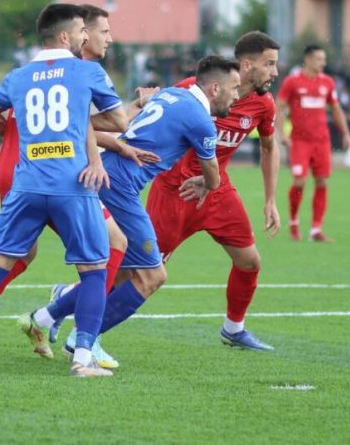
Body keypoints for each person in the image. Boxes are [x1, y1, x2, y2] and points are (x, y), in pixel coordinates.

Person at [0, 3, 128, 377]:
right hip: (72, 186)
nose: (86, 36)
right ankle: (83, 359)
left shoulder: (19, 76)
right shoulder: (88, 70)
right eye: (81, 31)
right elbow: (119, 121)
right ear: (64, 36)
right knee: (94, 271)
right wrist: (77, 118)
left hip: (25, 186)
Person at [24, 55, 241, 366]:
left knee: (122, 273)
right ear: (215, 88)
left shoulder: (172, 94)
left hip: (108, 175)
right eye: (234, 88)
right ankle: (84, 340)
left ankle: (43, 317)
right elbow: (214, 174)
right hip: (119, 187)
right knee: (152, 276)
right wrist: (207, 182)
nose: (237, 95)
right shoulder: (201, 119)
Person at [146, 31, 281, 351]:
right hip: (176, 192)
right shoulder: (197, 89)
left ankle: (234, 329)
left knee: (250, 261)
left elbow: (269, 147)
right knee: (140, 274)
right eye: (269, 64)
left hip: (217, 190)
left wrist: (270, 200)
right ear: (246, 65)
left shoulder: (263, 104)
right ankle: (65, 306)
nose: (275, 72)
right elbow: (155, 115)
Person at [276, 45, 350, 242]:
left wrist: (345, 133)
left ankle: (316, 229)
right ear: (307, 59)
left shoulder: (327, 82)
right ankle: (293, 223)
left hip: (322, 141)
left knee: (322, 181)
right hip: (300, 141)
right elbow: (279, 107)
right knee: (299, 182)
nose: (323, 63)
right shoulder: (292, 82)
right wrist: (283, 134)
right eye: (319, 59)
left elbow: (336, 109)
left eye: (324, 59)